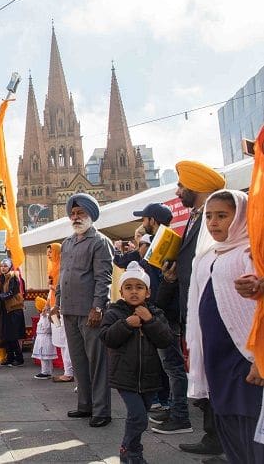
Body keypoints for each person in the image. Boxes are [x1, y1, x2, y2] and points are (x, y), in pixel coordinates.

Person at [185, 190, 263, 462]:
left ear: (240, 216)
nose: (213, 223)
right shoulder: (206, 257)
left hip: (244, 356)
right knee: (226, 418)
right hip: (216, 356)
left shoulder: (250, 253)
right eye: (208, 216)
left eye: (222, 216)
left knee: (251, 423)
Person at [154, 161, 226, 443]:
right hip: (191, 306)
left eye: (182, 186)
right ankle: (213, 435)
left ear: (196, 187)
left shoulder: (211, 218)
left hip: (207, 309)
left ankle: (219, 438)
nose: (178, 190)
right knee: (204, 371)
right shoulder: (197, 217)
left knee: (213, 373)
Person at [100, 262, 173, 464]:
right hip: (125, 376)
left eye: (139, 287)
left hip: (150, 377)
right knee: (139, 417)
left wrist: (149, 321)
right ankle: (131, 450)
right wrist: (125, 324)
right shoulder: (114, 312)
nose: (134, 292)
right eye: (129, 287)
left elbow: (166, 339)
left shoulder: (155, 313)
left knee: (138, 418)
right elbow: (106, 337)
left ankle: (130, 449)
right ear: (122, 291)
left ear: (147, 292)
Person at [53, 192, 114, 428]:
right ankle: (85, 405)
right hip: (68, 310)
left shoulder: (100, 241)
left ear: (91, 215)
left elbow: (103, 278)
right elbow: (62, 276)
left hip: (90, 312)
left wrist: (98, 306)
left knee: (97, 362)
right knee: (79, 362)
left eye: (81, 213)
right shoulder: (67, 243)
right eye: (73, 213)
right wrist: (57, 303)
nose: (76, 217)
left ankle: (101, 410)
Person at [46, 243, 74, 383]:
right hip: (54, 308)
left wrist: (53, 288)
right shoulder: (52, 267)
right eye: (48, 253)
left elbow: (61, 288)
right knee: (60, 341)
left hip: (63, 309)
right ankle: (67, 370)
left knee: (66, 341)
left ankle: (69, 372)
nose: (49, 255)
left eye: (51, 252)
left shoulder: (63, 267)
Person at [0, 259, 26, 366]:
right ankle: (10, 358)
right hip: (5, 309)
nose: (3, 268)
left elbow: (11, 293)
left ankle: (19, 359)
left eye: (5, 266)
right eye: (1, 266)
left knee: (13, 335)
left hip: (13, 309)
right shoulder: (1, 278)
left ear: (10, 267)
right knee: (6, 335)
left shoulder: (13, 277)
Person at [32, 296, 57, 380]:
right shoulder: (42, 316)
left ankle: (46, 372)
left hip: (45, 338)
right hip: (42, 338)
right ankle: (46, 371)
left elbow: (46, 327)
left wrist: (45, 315)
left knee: (45, 356)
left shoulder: (46, 316)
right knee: (44, 356)